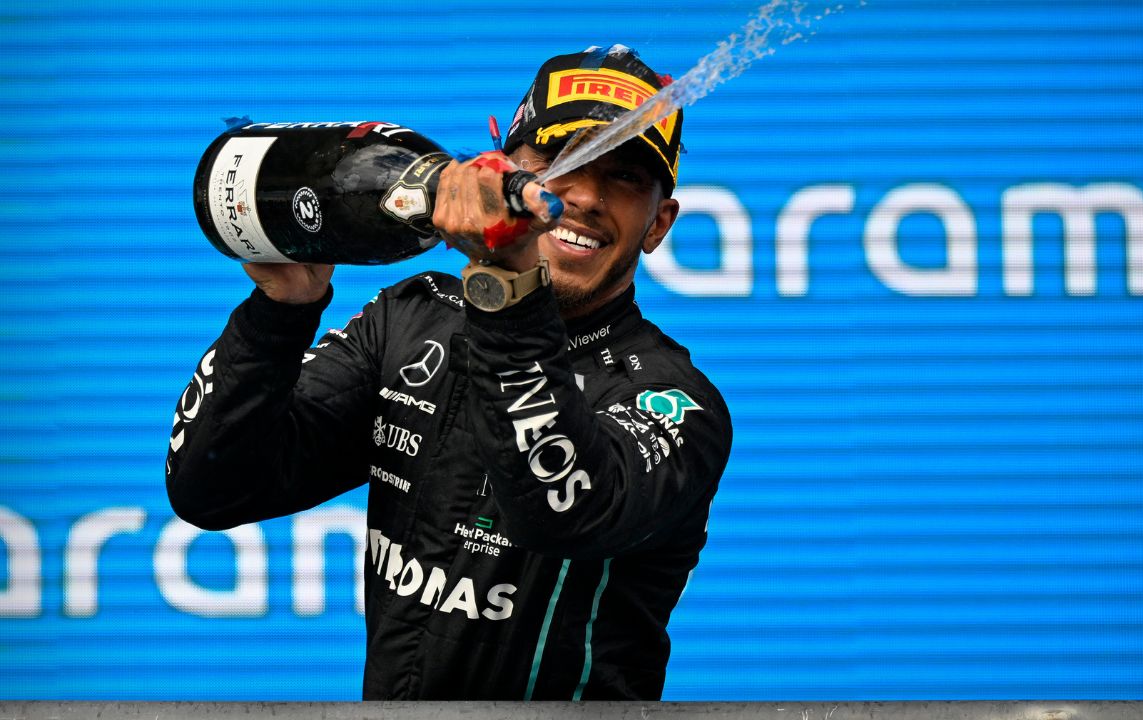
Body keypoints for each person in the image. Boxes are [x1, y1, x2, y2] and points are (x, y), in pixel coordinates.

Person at [165, 44, 733, 701]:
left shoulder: (676, 402)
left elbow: (560, 514)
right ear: (500, 170)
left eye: (625, 176)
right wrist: (280, 311)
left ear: (658, 224)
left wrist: (507, 288)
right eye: (559, 158)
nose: (583, 195)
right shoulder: (410, 320)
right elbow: (213, 488)